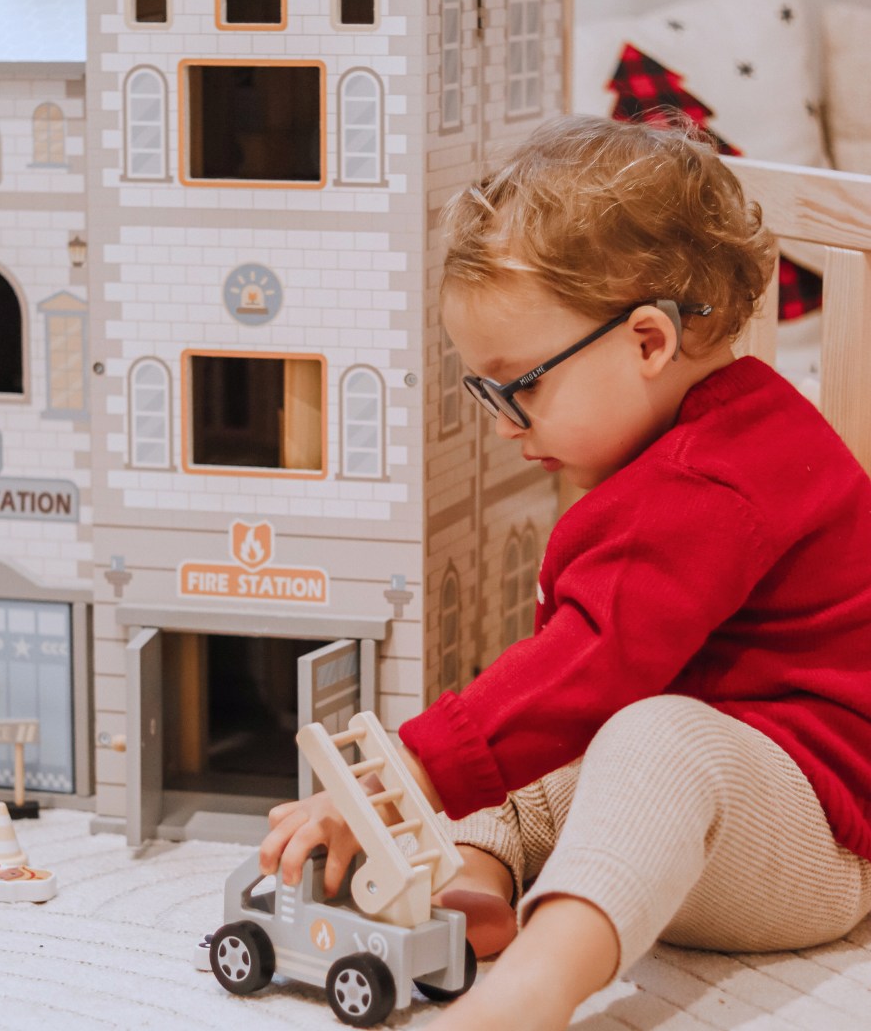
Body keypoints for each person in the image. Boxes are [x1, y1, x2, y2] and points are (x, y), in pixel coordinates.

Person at [260, 114, 871, 1031]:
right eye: (486, 390)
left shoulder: (714, 481)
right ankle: (482, 873)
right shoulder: (681, 448)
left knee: (648, 734)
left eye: (522, 386)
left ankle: (536, 989)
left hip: (819, 839)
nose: (503, 422)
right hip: (722, 795)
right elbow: (561, 695)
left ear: (649, 343)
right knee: (538, 729)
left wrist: (403, 775)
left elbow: (592, 662)